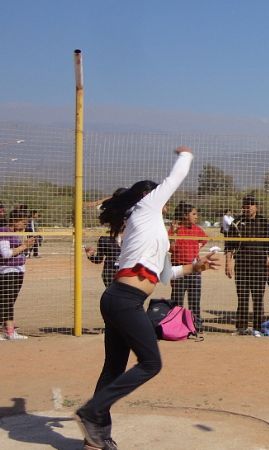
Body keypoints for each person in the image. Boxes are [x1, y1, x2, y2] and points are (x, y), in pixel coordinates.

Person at [75, 147, 220, 449]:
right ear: (147, 197)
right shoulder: (145, 210)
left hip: (120, 299)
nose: (165, 206)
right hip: (124, 300)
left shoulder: (149, 227)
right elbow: (175, 178)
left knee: (113, 369)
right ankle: (91, 411)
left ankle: (95, 438)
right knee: (151, 363)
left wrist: (196, 266)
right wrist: (187, 155)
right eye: (160, 199)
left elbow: (163, 274)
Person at [225, 195, 269, 333]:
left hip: (259, 266)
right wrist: (228, 263)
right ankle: (241, 327)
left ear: (256, 207)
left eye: (250, 206)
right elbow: (229, 245)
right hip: (242, 265)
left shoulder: (264, 222)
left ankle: (258, 327)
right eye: (245, 206)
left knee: (258, 298)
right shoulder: (236, 222)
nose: (247, 209)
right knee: (242, 297)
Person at [169, 201, 208, 327]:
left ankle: (196, 325)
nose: (196, 216)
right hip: (179, 268)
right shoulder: (175, 229)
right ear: (185, 215)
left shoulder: (197, 229)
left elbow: (204, 239)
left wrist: (197, 247)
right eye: (194, 214)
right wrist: (174, 233)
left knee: (195, 300)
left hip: (194, 269)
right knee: (177, 299)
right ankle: (175, 325)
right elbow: (171, 248)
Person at [0, 208, 36, 340]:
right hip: (7, 271)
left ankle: (8, 330)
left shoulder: (15, 233)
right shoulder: (4, 231)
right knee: (6, 301)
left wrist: (26, 247)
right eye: (23, 222)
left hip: (18, 271)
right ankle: (9, 332)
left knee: (9, 302)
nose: (25, 225)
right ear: (15, 221)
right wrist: (24, 246)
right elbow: (6, 253)